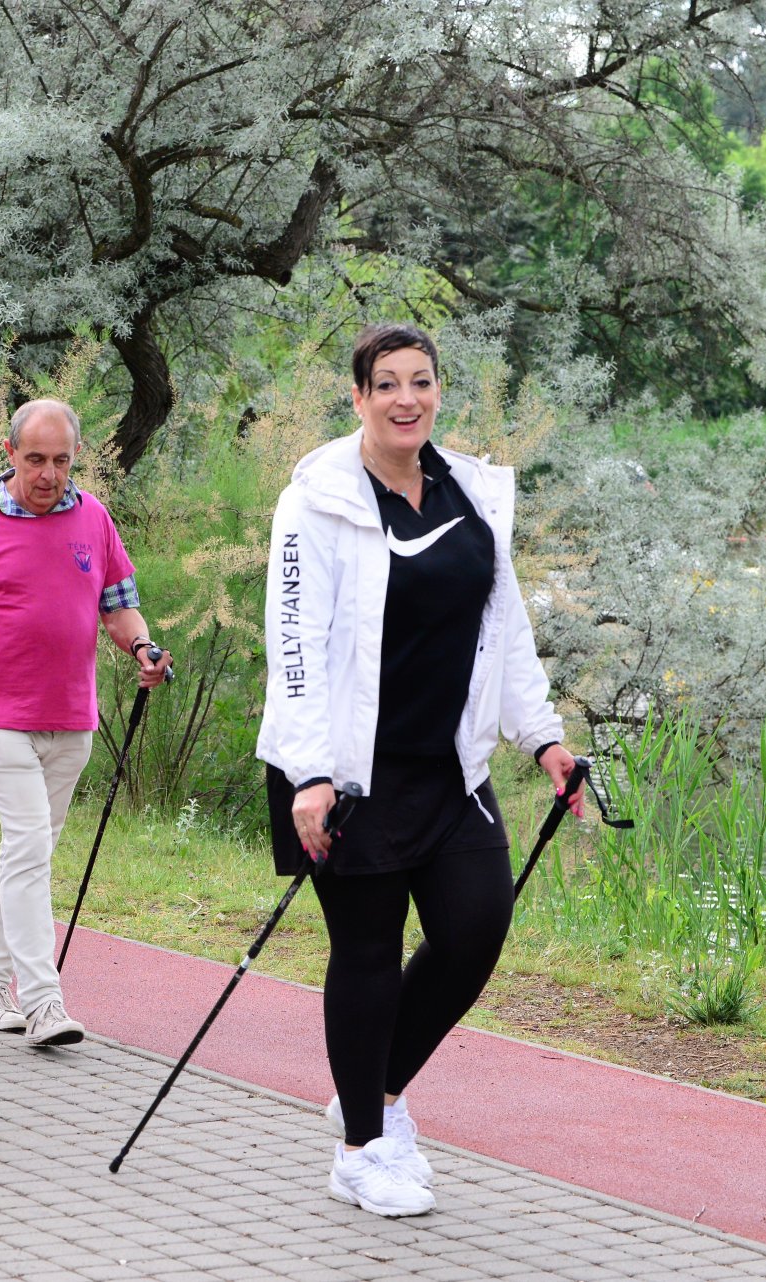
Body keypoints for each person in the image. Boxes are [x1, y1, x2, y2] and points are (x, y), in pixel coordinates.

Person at [256, 322, 582, 1218]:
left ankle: (377, 1085)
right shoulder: (317, 500)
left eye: (422, 382)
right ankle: (363, 1144)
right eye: (387, 383)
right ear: (356, 397)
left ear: (439, 392)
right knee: (365, 949)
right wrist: (313, 773)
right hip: (346, 777)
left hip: (448, 770)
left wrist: (544, 740)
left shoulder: (471, 489)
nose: (408, 398)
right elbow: (294, 648)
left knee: (477, 928)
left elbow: (503, 628)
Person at [0, 398, 171, 1047]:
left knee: (28, 853)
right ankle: (44, 1002)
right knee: (30, 847)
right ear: (10, 456)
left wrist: (142, 647)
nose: (48, 473)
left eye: (60, 460)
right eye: (35, 459)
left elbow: (120, 605)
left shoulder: (93, 517)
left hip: (72, 718)